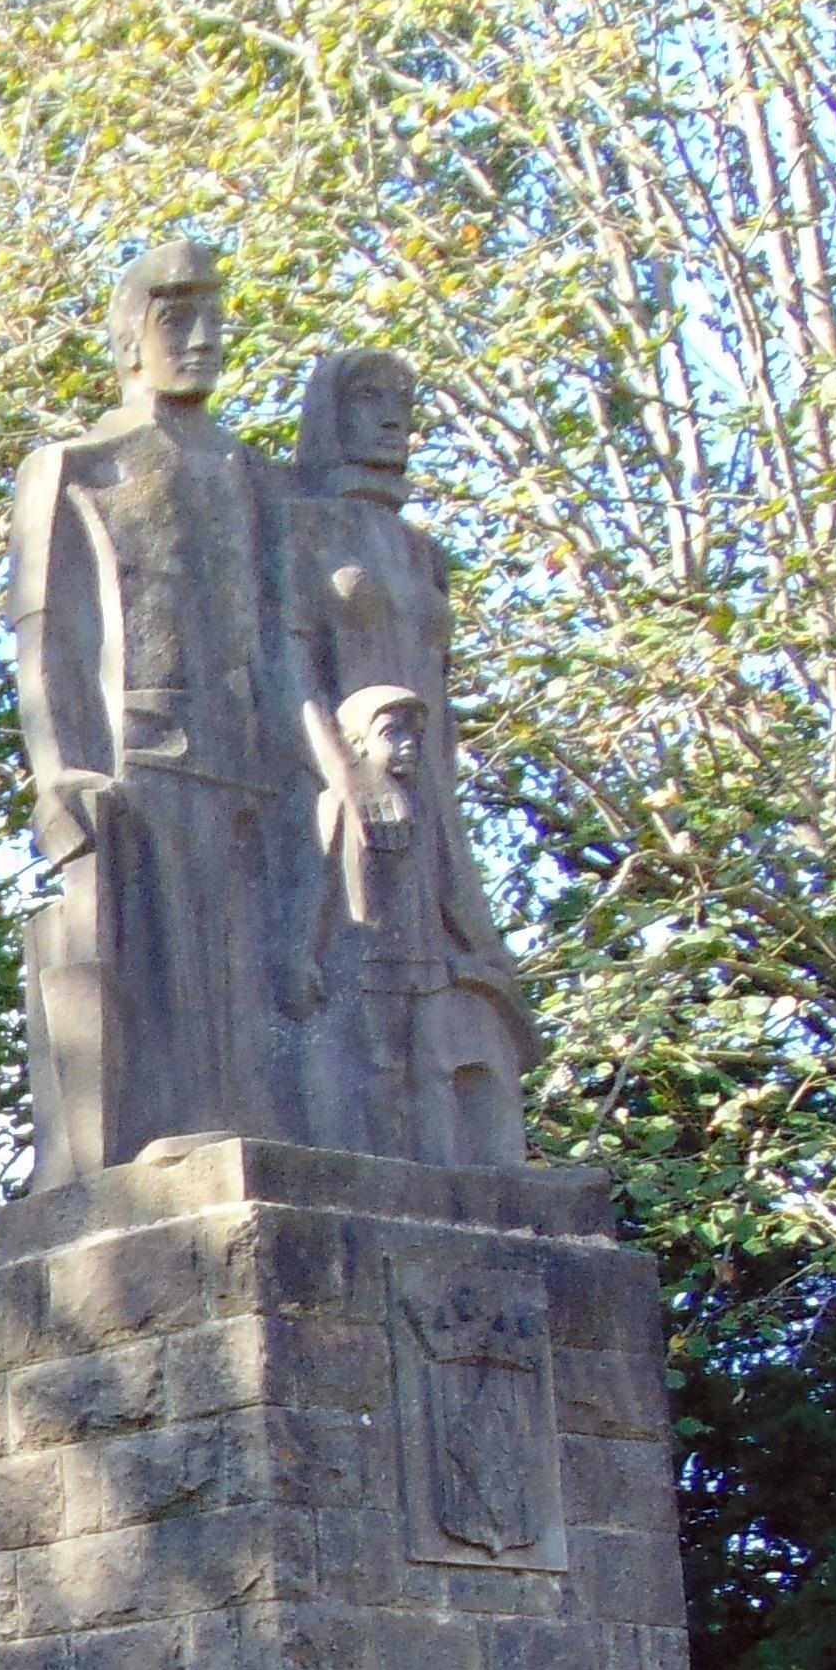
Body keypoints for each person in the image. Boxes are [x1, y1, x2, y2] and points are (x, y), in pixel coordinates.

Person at [6, 239, 319, 1181]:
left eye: (214, 312)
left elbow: (292, 635)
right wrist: (56, 768)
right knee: (172, 960)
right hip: (147, 755)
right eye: (174, 313)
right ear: (129, 334)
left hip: (262, 757)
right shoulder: (79, 466)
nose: (203, 335)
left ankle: (269, 1136)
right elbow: (44, 630)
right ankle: (176, 1140)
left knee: (273, 970)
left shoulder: (259, 481)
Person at [288, 346, 534, 1166]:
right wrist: (346, 774)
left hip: (427, 782)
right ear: (330, 412)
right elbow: (286, 668)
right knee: (360, 972)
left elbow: (444, 690)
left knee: (456, 972)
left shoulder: (424, 551)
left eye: (404, 398)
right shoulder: (303, 528)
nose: (394, 416)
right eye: (369, 397)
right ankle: (359, 1143)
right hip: (335, 774)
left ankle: (449, 1150)